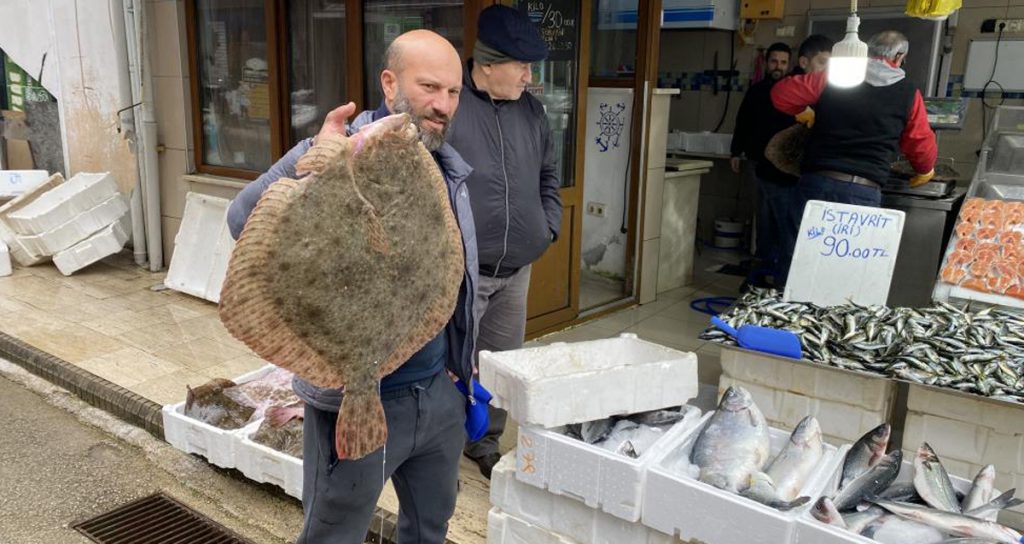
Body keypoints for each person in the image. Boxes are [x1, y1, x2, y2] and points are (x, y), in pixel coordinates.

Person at [226, 30, 478, 544]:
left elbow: (449, 277)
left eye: (453, 93)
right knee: (333, 535)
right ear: (390, 84)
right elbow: (240, 218)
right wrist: (316, 165)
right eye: (430, 86)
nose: (443, 104)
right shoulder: (329, 153)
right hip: (354, 398)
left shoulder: (445, 166)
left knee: (431, 526)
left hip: (437, 390)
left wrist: (461, 366)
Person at [447, 4, 562, 479]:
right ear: (488, 64)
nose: (530, 78)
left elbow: (549, 175)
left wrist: (547, 226)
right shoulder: (450, 108)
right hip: (462, 273)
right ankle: (440, 450)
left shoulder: (532, 111)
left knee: (500, 365)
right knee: (450, 365)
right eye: (522, 67)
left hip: (516, 271)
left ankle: (485, 441)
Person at [770, 30, 937, 285]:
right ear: (900, 56)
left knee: (797, 259)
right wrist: (924, 170)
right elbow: (920, 142)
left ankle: (783, 316)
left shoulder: (835, 77)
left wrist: (803, 110)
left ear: (867, 51)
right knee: (846, 271)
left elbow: (781, 94)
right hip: (864, 192)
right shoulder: (908, 93)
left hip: (817, 183)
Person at [730, 42, 795, 287]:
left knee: (783, 221)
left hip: (786, 170)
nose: (778, 67)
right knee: (763, 219)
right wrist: (736, 151)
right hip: (758, 163)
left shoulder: (795, 92)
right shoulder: (756, 92)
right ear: (767, 63)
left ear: (789, 64)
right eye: (774, 61)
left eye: (783, 62)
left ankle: (780, 276)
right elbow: (742, 122)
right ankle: (762, 272)